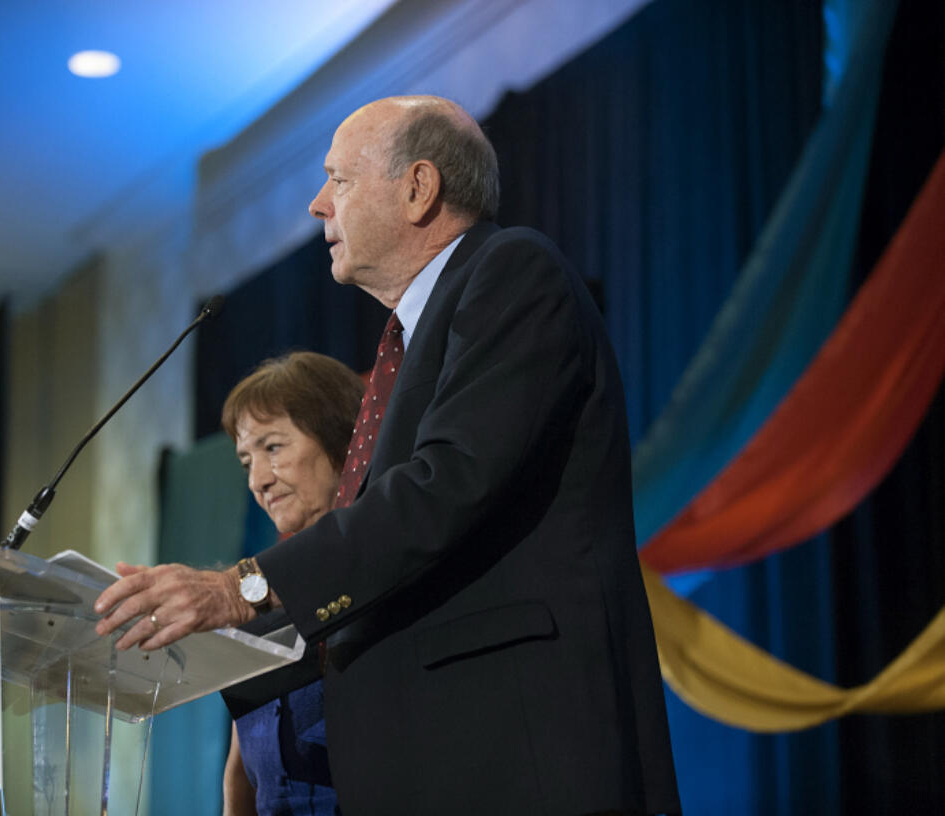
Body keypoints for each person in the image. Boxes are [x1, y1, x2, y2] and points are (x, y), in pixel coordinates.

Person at [96, 95, 680, 815]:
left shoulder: (510, 273)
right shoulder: (404, 345)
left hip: (518, 757)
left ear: (418, 188)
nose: (316, 205)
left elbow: (442, 488)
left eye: (337, 180)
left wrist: (238, 589)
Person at [219, 351, 363, 815]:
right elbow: (242, 767)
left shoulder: (389, 573)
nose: (258, 480)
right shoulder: (258, 592)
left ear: (341, 439)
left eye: (273, 448)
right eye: (246, 462)